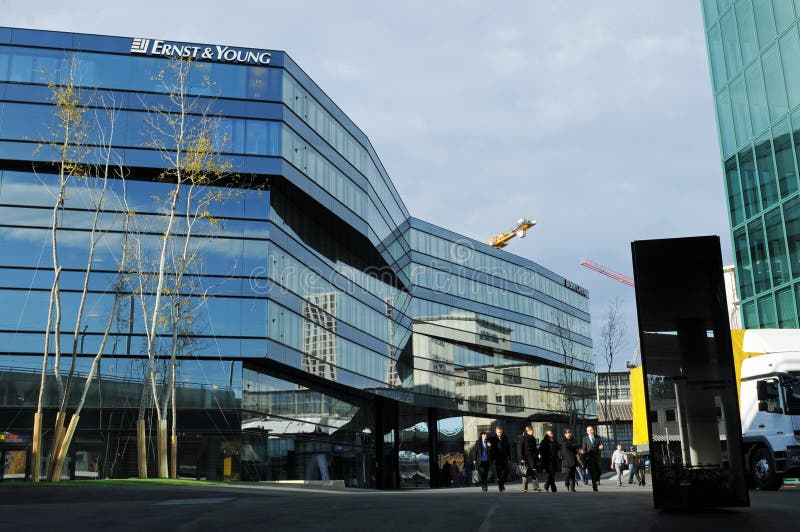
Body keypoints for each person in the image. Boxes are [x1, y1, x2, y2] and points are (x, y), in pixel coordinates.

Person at [581, 425, 604, 491]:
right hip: (589, 458)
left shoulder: (598, 437)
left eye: (591, 430)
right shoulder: (585, 439)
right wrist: (583, 452)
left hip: (597, 457)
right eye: (588, 430)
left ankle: (596, 480)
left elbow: (601, 444)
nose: (590, 431)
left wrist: (602, 446)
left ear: (593, 430)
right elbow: (584, 448)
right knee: (592, 472)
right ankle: (594, 486)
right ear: (587, 432)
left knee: (599, 471)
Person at [488, 425, 511, 492]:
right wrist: (488, 443)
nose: (500, 433)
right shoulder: (493, 438)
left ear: (502, 431)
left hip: (504, 458)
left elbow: (508, 448)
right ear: (496, 432)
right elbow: (487, 440)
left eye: (501, 432)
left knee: (506, 472)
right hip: (496, 459)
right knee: (498, 474)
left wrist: (509, 457)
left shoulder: (505, 438)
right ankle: (501, 487)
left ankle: (501, 484)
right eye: (498, 432)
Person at [520, 425, 540, 492]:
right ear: (528, 430)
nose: (533, 431)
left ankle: (536, 487)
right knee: (524, 473)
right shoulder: (523, 438)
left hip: (532, 457)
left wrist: (537, 458)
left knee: (534, 472)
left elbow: (535, 449)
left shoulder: (533, 438)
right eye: (532, 430)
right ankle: (524, 488)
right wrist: (522, 458)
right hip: (525, 458)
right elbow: (521, 449)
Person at [559, 428, 579, 492]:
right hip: (566, 460)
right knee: (567, 474)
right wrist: (560, 455)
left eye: (570, 433)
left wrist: (578, 450)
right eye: (567, 433)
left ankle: (572, 488)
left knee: (573, 475)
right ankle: (566, 483)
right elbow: (560, 449)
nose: (569, 435)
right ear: (565, 434)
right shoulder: (563, 440)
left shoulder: (573, 440)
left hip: (572, 459)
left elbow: (575, 447)